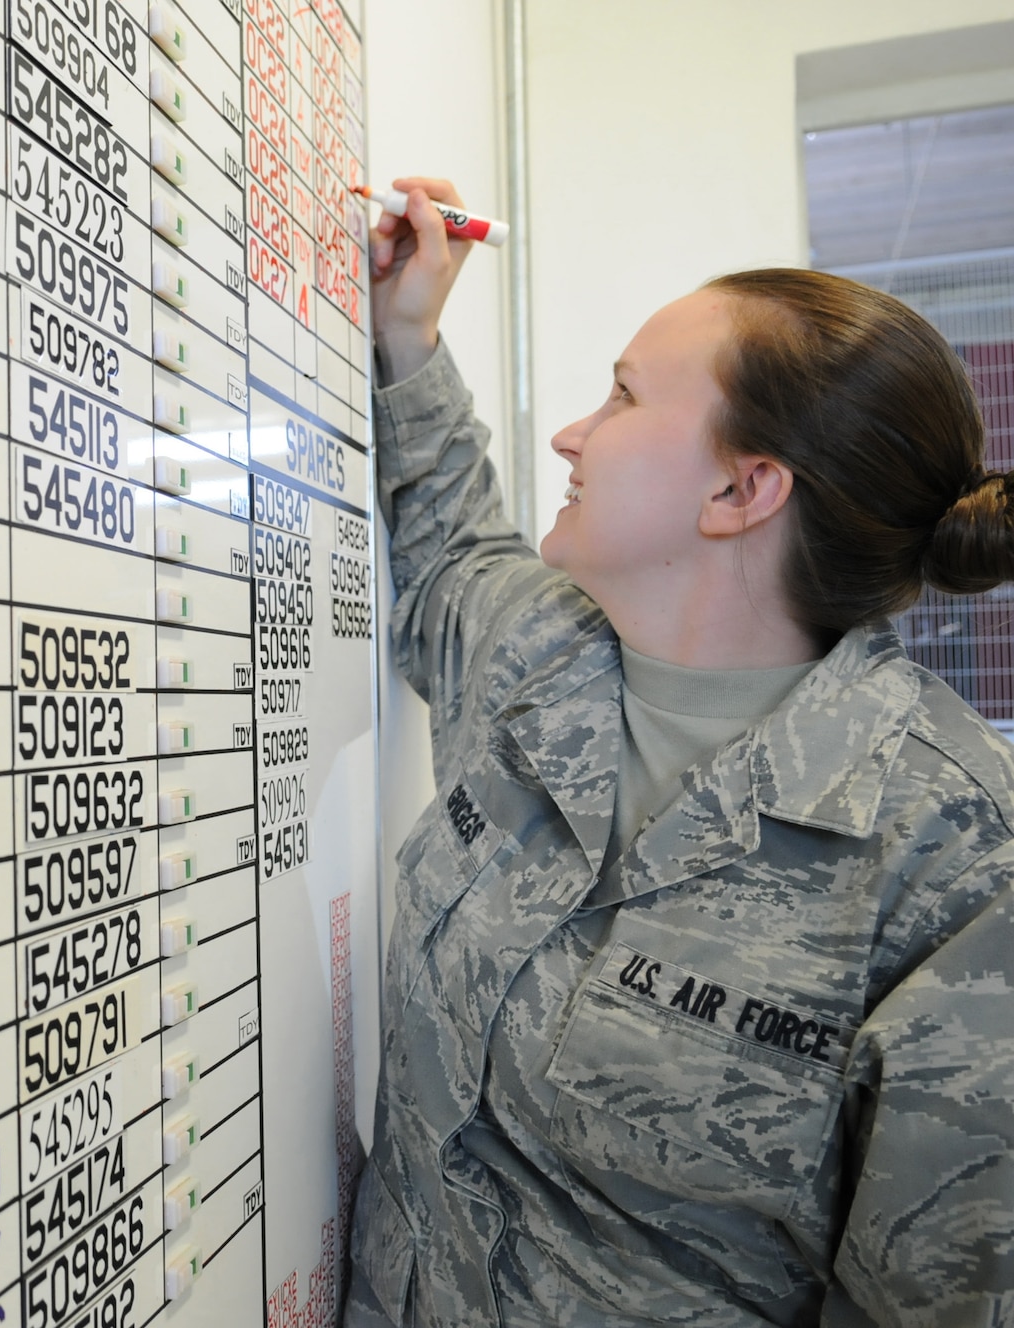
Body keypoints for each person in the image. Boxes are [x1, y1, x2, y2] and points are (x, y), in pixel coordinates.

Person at [345, 179, 1014, 1327]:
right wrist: (408, 333)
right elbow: (450, 549)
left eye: (620, 395)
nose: (569, 432)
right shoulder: (540, 650)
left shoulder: (950, 858)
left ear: (739, 488)